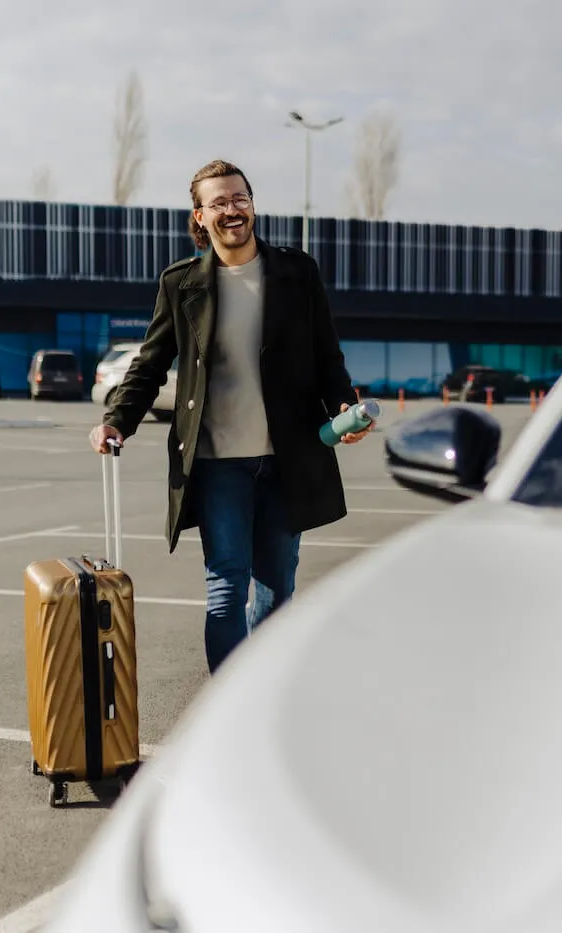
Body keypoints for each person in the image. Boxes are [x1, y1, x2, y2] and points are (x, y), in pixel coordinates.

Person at [89, 158, 373, 674]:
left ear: (253, 204)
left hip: (287, 460)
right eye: (217, 202)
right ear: (199, 217)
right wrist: (117, 420)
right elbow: (150, 363)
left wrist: (344, 407)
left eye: (239, 197)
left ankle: (258, 690)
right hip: (218, 463)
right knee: (225, 586)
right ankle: (226, 698)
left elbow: (327, 355)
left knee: (276, 588)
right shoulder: (182, 284)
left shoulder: (295, 272)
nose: (231, 209)